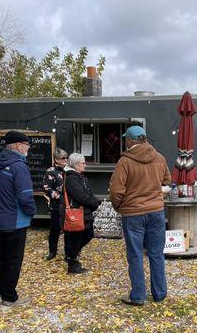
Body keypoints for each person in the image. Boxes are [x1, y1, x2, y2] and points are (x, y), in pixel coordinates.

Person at [109, 125, 171, 306]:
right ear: (144, 139)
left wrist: (119, 207)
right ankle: (159, 294)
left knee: (135, 255)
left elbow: (116, 191)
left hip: (133, 214)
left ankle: (138, 296)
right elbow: (167, 181)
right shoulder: (159, 158)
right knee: (157, 254)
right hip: (156, 212)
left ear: (129, 140)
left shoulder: (125, 162)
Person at [0, 131, 36, 308]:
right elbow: (25, 196)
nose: (28, 148)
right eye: (27, 145)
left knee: (3, 258)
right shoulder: (18, 166)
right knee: (13, 260)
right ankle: (10, 298)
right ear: (17, 145)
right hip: (16, 221)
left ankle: (2, 292)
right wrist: (31, 212)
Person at [61, 153, 101, 274]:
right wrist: (95, 203)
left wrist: (94, 201)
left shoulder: (79, 176)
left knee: (86, 235)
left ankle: (71, 256)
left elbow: (87, 193)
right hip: (77, 213)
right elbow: (81, 196)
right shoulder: (72, 178)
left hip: (83, 213)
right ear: (75, 165)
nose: (85, 165)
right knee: (76, 238)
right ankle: (72, 262)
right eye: (83, 163)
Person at [42, 148, 68, 260]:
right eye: (63, 158)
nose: (65, 160)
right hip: (56, 204)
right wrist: (58, 196)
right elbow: (46, 188)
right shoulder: (51, 171)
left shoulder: (68, 170)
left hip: (68, 204)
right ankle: (52, 251)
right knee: (55, 228)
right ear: (56, 159)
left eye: (66, 157)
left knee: (69, 228)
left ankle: (69, 252)